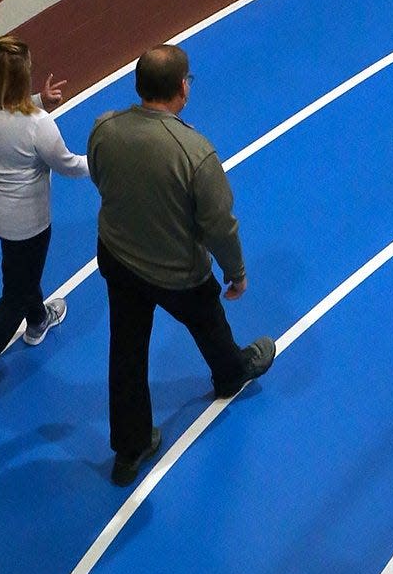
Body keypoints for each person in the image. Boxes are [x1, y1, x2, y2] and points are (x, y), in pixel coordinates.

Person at [87, 43, 276, 485]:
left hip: (118, 257)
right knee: (210, 322)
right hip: (176, 273)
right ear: (180, 89)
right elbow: (219, 225)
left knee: (127, 349)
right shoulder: (194, 152)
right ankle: (231, 375)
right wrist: (236, 271)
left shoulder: (104, 129)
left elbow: (101, 178)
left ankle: (129, 451)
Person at [0, 35, 89, 422]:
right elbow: (69, 165)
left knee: (20, 272)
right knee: (16, 290)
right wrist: (104, 159)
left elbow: (1, 125)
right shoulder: (38, 127)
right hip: (23, 220)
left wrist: (40, 102)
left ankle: (39, 320)